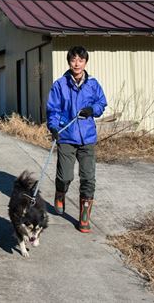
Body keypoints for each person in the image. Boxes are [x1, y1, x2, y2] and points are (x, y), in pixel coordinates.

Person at [46, 46, 107, 233]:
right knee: (65, 176)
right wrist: (54, 128)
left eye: (81, 60)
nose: (77, 63)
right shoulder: (60, 85)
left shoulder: (93, 84)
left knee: (88, 178)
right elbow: (53, 110)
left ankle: (84, 217)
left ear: (85, 62)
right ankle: (60, 192)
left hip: (87, 137)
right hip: (66, 136)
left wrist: (93, 110)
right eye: (73, 60)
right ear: (69, 62)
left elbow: (101, 103)